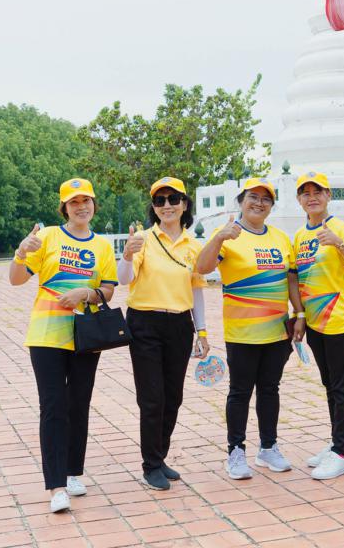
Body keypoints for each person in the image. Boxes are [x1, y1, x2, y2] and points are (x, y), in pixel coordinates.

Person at [8, 178, 118, 514]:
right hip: (46, 336)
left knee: (79, 405)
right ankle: (56, 486)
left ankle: (72, 473)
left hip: (86, 336)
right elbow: (16, 279)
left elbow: (108, 291)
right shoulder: (47, 237)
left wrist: (85, 293)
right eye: (74, 202)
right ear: (64, 208)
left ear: (94, 204)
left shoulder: (102, 246)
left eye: (86, 201)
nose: (81, 207)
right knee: (54, 407)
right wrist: (21, 252)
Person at [195, 177, 296, 480]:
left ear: (271, 206)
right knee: (240, 392)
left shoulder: (281, 238)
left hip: (277, 331)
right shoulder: (229, 234)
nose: (259, 203)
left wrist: (300, 314)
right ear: (241, 201)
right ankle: (235, 451)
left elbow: (291, 280)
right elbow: (202, 268)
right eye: (253, 197)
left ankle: (268, 447)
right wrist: (218, 238)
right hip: (242, 333)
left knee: (270, 389)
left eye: (266, 199)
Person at [117, 176, 210, 491]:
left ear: (184, 204)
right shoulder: (143, 239)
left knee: (173, 397)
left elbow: (196, 290)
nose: (167, 205)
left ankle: (160, 456)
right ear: (153, 207)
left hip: (180, 325)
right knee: (152, 398)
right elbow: (124, 279)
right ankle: (151, 465)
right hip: (145, 323)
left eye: (173, 199)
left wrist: (202, 331)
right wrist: (127, 255)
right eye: (160, 200)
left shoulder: (193, 246)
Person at [288, 171, 344, 480]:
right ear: (299, 199)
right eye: (305, 193)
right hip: (314, 321)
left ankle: (342, 453)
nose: (312, 197)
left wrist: (338, 243)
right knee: (328, 384)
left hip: (338, 317)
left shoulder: (339, 227)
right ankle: (338, 443)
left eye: (318, 191)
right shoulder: (299, 235)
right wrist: (299, 314)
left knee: (341, 385)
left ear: (328, 195)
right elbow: (295, 277)